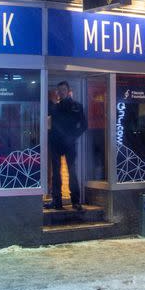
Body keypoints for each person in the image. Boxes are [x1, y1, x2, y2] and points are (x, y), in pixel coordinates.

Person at [49, 81, 87, 210]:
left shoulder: (76, 106)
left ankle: (75, 202)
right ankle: (57, 201)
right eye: (59, 90)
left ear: (68, 90)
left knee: (71, 172)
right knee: (56, 173)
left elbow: (84, 125)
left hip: (68, 144)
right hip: (56, 144)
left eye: (63, 90)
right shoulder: (54, 107)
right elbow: (50, 126)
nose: (61, 92)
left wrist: (72, 136)